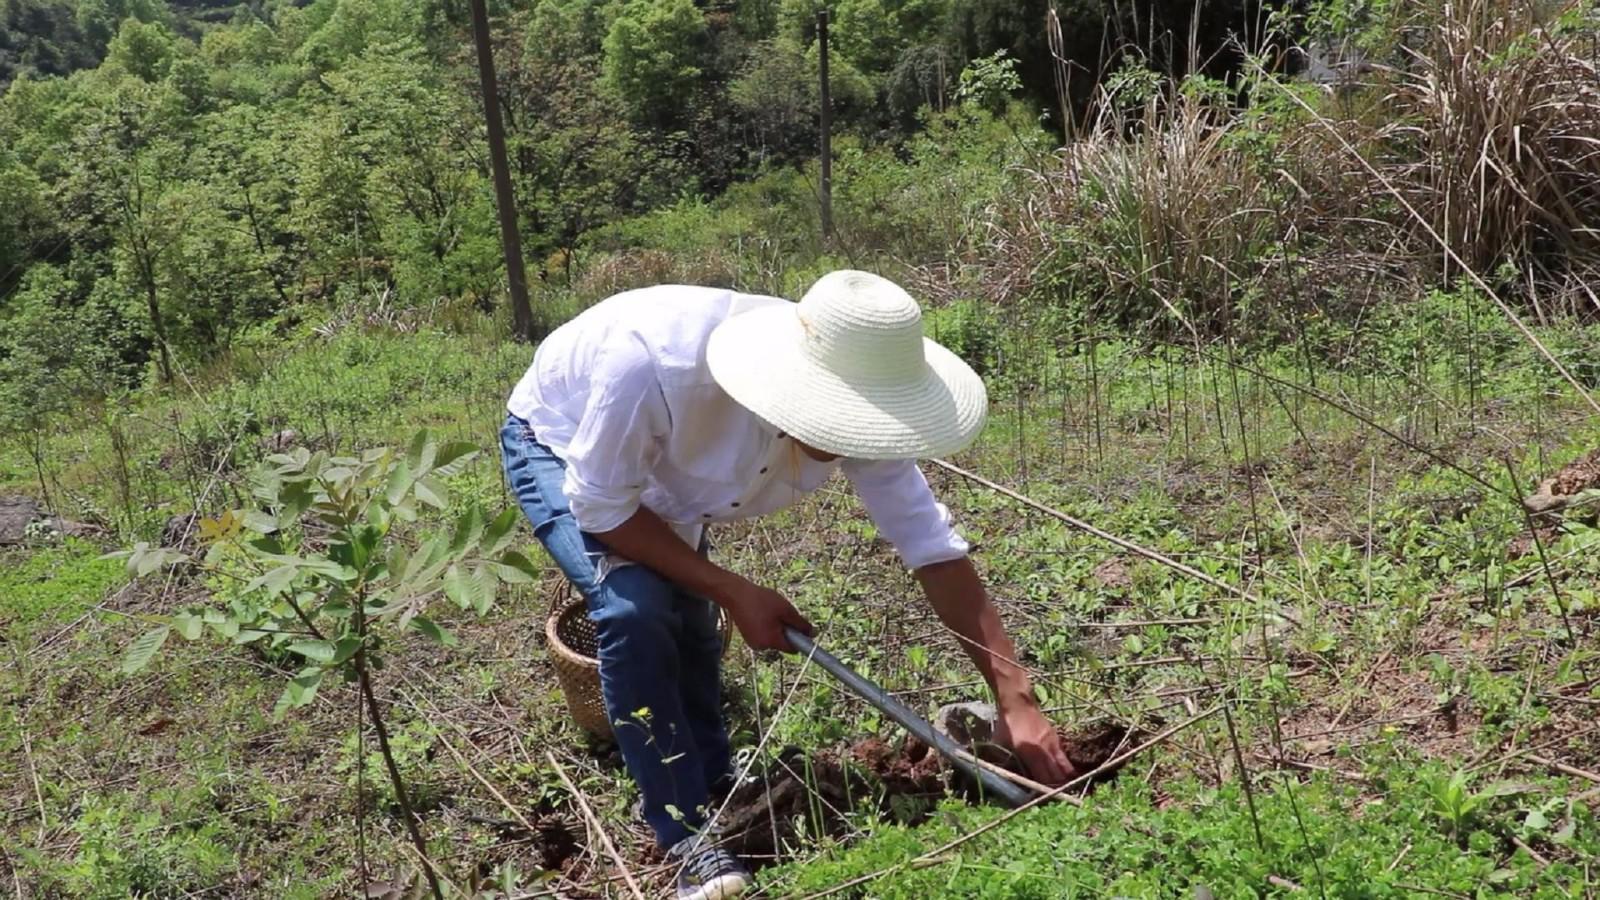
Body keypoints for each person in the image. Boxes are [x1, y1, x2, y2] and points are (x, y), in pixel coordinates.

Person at [501, 270, 1073, 900]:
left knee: (689, 617)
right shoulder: (655, 367)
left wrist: (1015, 696)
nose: (846, 440)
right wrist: (734, 589)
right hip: (561, 440)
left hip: (660, 469)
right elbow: (604, 505)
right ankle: (685, 829)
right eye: (836, 420)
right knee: (637, 611)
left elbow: (932, 550)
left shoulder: (864, 384)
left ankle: (715, 778)